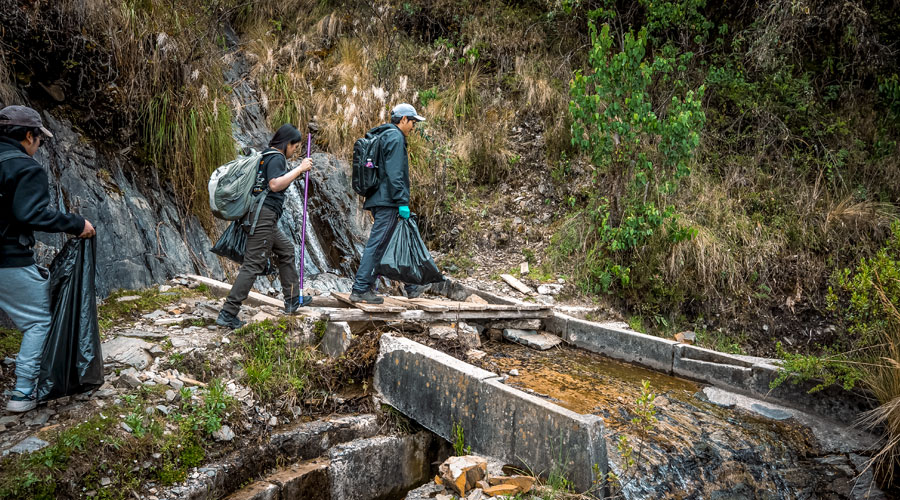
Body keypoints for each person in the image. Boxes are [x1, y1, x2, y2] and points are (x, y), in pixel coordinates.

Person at [0, 105, 96, 413]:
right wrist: (76, 224)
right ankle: (23, 392)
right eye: (39, 140)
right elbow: (32, 213)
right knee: (39, 320)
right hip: (7, 259)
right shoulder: (24, 168)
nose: (39, 146)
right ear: (28, 136)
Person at [217, 124, 314, 329]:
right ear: (287, 144)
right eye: (295, 147)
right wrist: (300, 169)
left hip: (260, 216)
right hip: (263, 216)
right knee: (253, 263)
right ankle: (228, 313)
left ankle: (292, 299)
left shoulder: (265, 156)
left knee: (286, 250)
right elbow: (275, 184)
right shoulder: (277, 157)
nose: (294, 152)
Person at [350, 103, 426, 304]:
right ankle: (360, 289)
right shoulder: (395, 137)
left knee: (390, 242)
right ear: (403, 120)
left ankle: (413, 286)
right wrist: (402, 201)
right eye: (413, 122)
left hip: (380, 198)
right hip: (388, 201)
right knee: (377, 245)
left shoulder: (383, 135)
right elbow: (395, 173)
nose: (413, 126)